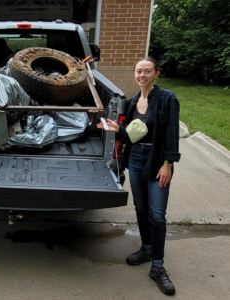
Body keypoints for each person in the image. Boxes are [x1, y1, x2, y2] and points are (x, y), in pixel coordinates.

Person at [97, 57, 180, 295]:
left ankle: (158, 266)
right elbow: (134, 135)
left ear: (156, 74)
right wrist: (117, 130)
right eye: (138, 71)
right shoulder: (133, 101)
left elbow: (172, 133)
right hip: (135, 159)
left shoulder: (166, 99)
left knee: (157, 214)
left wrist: (168, 163)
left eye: (147, 71)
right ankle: (146, 248)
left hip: (157, 159)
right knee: (141, 208)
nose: (142, 75)